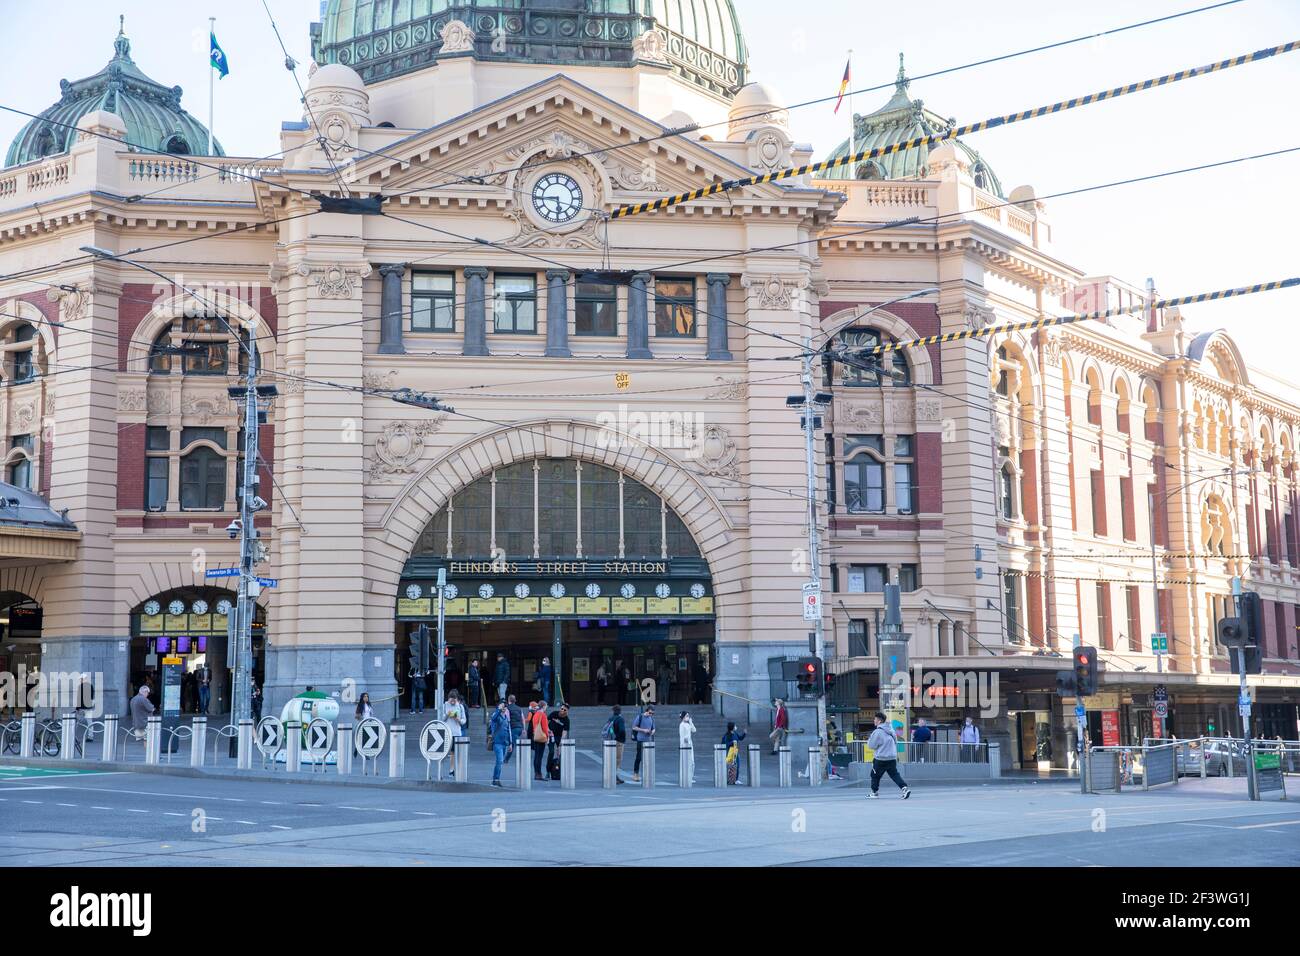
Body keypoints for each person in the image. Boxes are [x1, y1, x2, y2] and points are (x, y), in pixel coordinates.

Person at [867, 712, 911, 799]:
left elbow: (871, 745)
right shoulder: (891, 730)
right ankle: (904, 788)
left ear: (879, 721)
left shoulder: (878, 731)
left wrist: (870, 740)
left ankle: (874, 793)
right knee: (894, 774)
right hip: (892, 757)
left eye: (875, 719)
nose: (874, 721)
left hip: (880, 758)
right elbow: (895, 742)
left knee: (875, 775)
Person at [489, 701, 513, 787]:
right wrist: (499, 710)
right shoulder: (496, 715)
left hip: (504, 743)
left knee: (500, 761)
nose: (504, 708)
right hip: (497, 742)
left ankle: (496, 779)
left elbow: (508, 730)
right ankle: (495, 779)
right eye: (502, 706)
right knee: (499, 760)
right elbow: (493, 719)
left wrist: (510, 743)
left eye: (505, 707)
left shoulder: (506, 717)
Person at [603, 704, 627, 783]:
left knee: (611, 759)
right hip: (618, 742)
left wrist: (613, 736)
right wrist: (618, 737)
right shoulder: (620, 719)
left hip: (611, 741)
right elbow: (622, 730)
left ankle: (614, 776)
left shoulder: (611, 718)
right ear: (620, 711)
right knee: (617, 760)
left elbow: (609, 729)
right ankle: (613, 777)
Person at [631, 705, 656, 782]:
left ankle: (647, 774)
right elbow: (634, 727)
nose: (651, 714)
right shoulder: (640, 717)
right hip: (640, 739)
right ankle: (635, 774)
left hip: (648, 740)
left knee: (647, 758)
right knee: (639, 757)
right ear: (647, 710)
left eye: (652, 713)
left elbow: (654, 728)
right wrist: (643, 730)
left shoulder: (651, 718)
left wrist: (652, 732)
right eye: (650, 713)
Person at [529, 700, 551, 781]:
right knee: (540, 756)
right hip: (541, 737)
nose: (547, 707)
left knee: (536, 756)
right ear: (544, 706)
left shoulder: (535, 714)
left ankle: (536, 773)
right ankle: (539, 774)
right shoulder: (543, 715)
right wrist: (548, 737)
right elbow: (545, 728)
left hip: (535, 736)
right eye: (546, 706)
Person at [547, 702, 570, 774]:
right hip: (551, 735)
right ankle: (548, 771)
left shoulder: (566, 720)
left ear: (567, 711)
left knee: (560, 753)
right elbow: (546, 721)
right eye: (562, 708)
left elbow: (565, 732)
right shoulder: (554, 713)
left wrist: (561, 742)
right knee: (551, 752)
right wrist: (548, 730)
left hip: (559, 736)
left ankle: (558, 769)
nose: (562, 710)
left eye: (564, 710)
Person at [679, 710, 697, 784]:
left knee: (692, 762)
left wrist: (691, 722)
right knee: (686, 762)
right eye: (686, 716)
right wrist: (685, 742)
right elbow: (682, 736)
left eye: (688, 716)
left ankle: (690, 776)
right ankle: (686, 777)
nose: (688, 717)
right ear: (683, 717)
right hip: (685, 745)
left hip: (690, 745)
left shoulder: (688, 724)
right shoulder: (682, 725)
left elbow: (694, 730)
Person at [504, 694, 524, 763]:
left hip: (513, 728)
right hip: (519, 728)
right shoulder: (519, 708)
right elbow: (522, 718)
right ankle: (506, 758)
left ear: (508, 700)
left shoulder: (507, 708)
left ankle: (506, 759)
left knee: (512, 743)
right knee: (512, 742)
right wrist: (523, 729)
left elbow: (506, 718)